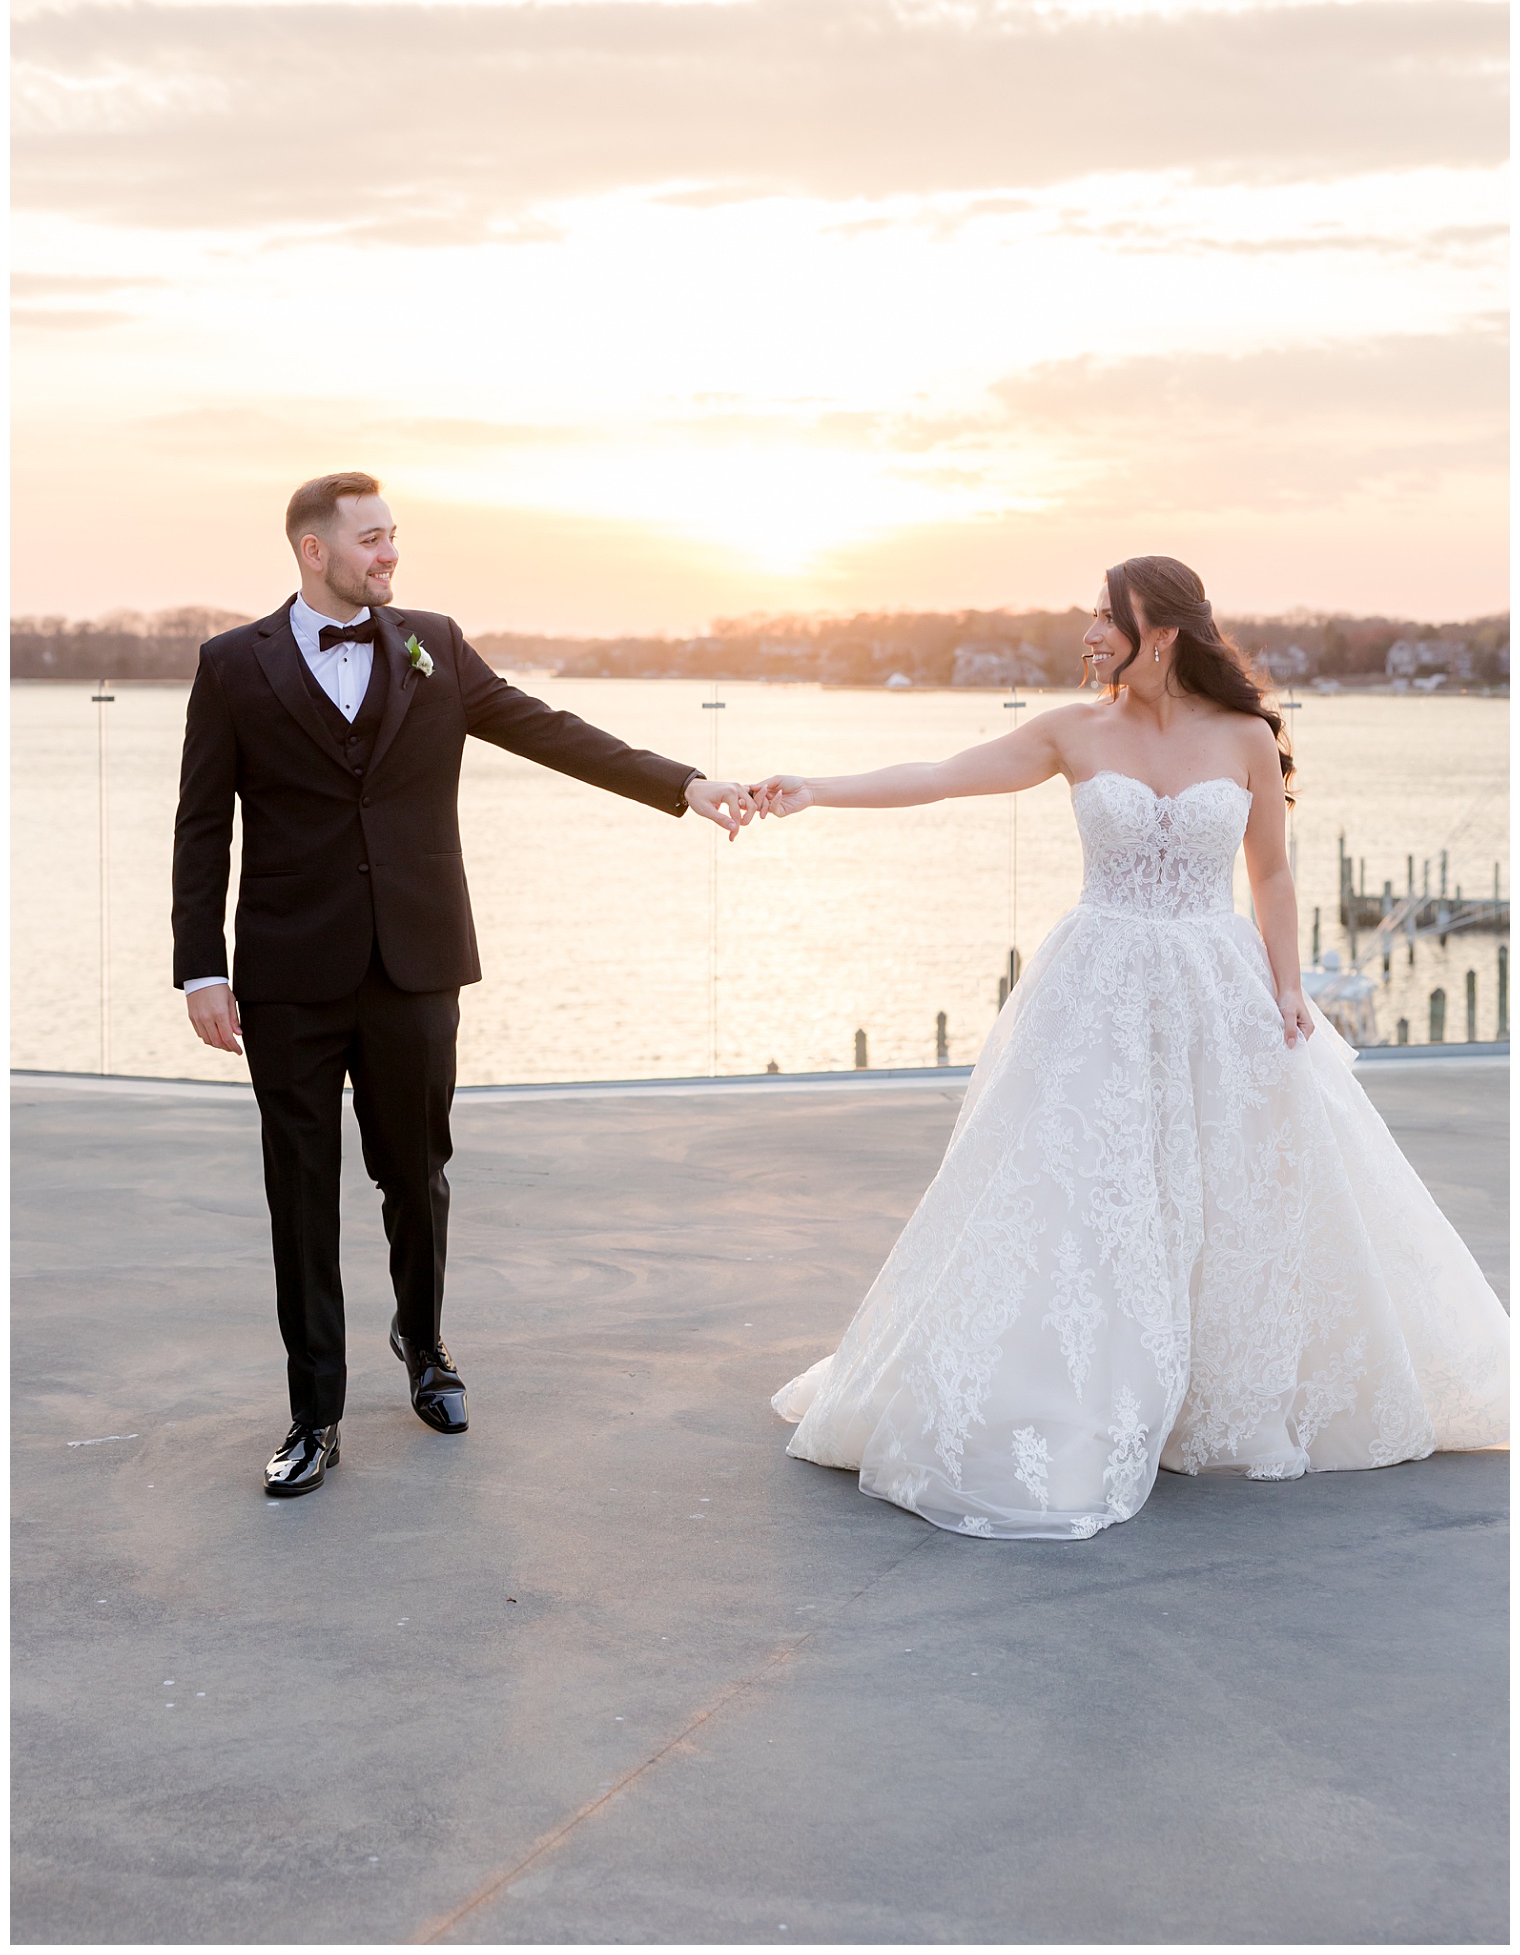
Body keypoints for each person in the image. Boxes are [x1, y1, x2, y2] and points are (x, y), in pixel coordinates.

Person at [749, 556, 1508, 1539]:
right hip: (1095, 983)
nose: (1087, 631)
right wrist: (813, 787)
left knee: (1223, 1186)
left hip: (1214, 984)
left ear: (1162, 629)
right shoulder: (1072, 729)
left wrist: (1286, 983)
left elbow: (1269, 874)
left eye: (1105, 616)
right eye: (1089, 615)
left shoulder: (1241, 736)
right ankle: (1078, 1391)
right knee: (1081, 1186)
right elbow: (940, 777)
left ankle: (1206, 1391)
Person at [173, 472, 754, 1497]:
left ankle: (426, 1345)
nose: (390, 555)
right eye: (371, 540)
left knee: (416, 1169)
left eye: (395, 537)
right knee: (298, 1194)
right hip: (287, 974)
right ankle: (314, 1413)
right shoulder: (232, 665)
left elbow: (547, 726)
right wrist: (200, 968)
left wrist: (683, 784)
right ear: (315, 550)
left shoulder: (428, 639)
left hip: (415, 961)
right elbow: (201, 824)